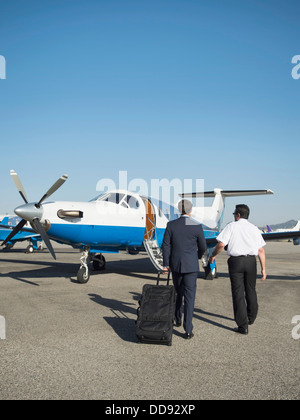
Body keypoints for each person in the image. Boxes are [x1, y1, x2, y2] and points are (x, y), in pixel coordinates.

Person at [209, 204, 267, 335]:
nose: (234, 216)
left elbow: (221, 244)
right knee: (251, 290)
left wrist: (212, 255)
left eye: (234, 214)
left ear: (238, 215)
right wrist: (263, 269)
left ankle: (243, 325)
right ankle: (251, 318)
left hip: (236, 262)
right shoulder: (254, 228)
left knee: (238, 292)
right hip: (251, 261)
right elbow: (261, 250)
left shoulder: (231, 226)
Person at [162, 199, 207, 339]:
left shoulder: (171, 225)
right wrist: (197, 257)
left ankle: (177, 318)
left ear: (178, 210)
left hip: (176, 266)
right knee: (189, 297)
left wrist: (166, 263)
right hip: (191, 266)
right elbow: (203, 247)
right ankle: (188, 330)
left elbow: (166, 246)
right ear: (190, 210)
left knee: (177, 293)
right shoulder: (196, 226)